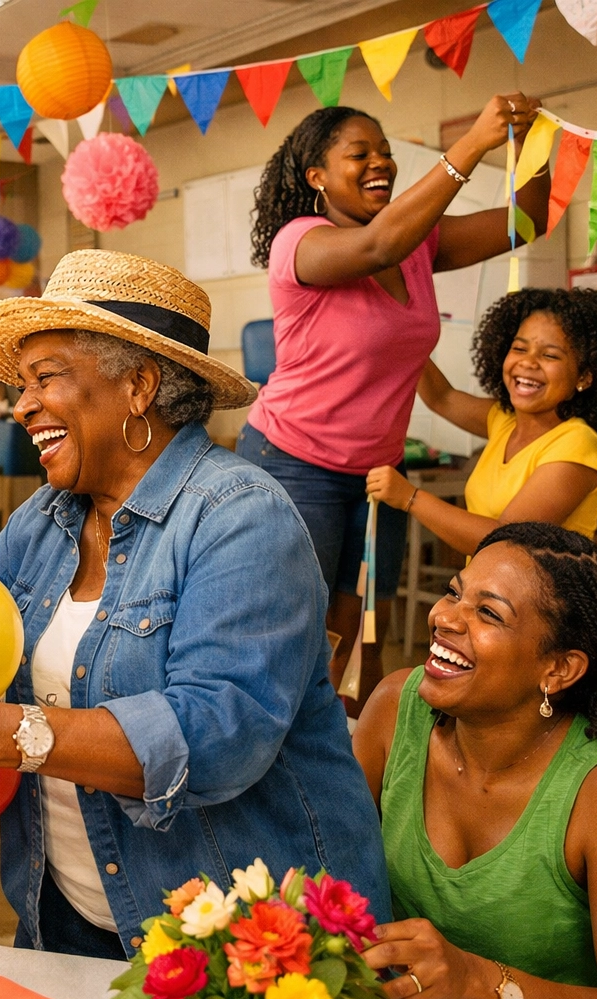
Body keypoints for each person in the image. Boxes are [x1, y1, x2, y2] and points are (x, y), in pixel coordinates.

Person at [0, 250, 388, 958]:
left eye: (46, 379)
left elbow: (215, 736)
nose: (22, 405)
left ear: (138, 387)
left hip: (249, 945)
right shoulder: (44, 521)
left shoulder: (241, 516)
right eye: (22, 383)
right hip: (69, 917)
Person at [235, 94, 550, 704]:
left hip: (378, 472)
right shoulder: (301, 242)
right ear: (316, 177)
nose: (380, 161)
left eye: (386, 151)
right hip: (295, 462)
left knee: (365, 633)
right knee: (300, 633)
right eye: (360, 154)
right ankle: (277, 761)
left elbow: (525, 223)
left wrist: (529, 142)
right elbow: (377, 246)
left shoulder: (418, 246)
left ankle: (354, 761)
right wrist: (470, 143)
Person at [353, 522, 597, 999]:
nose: (444, 618)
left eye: (487, 613)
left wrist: (475, 981)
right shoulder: (398, 708)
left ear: (558, 669)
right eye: (453, 593)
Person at [366, 289, 597, 554]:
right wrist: (402, 331)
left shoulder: (577, 444)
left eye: (550, 355)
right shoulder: (504, 421)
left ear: (584, 377)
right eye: (519, 348)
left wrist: (411, 498)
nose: (528, 362)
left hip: (538, 605)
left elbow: (506, 541)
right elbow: (442, 397)